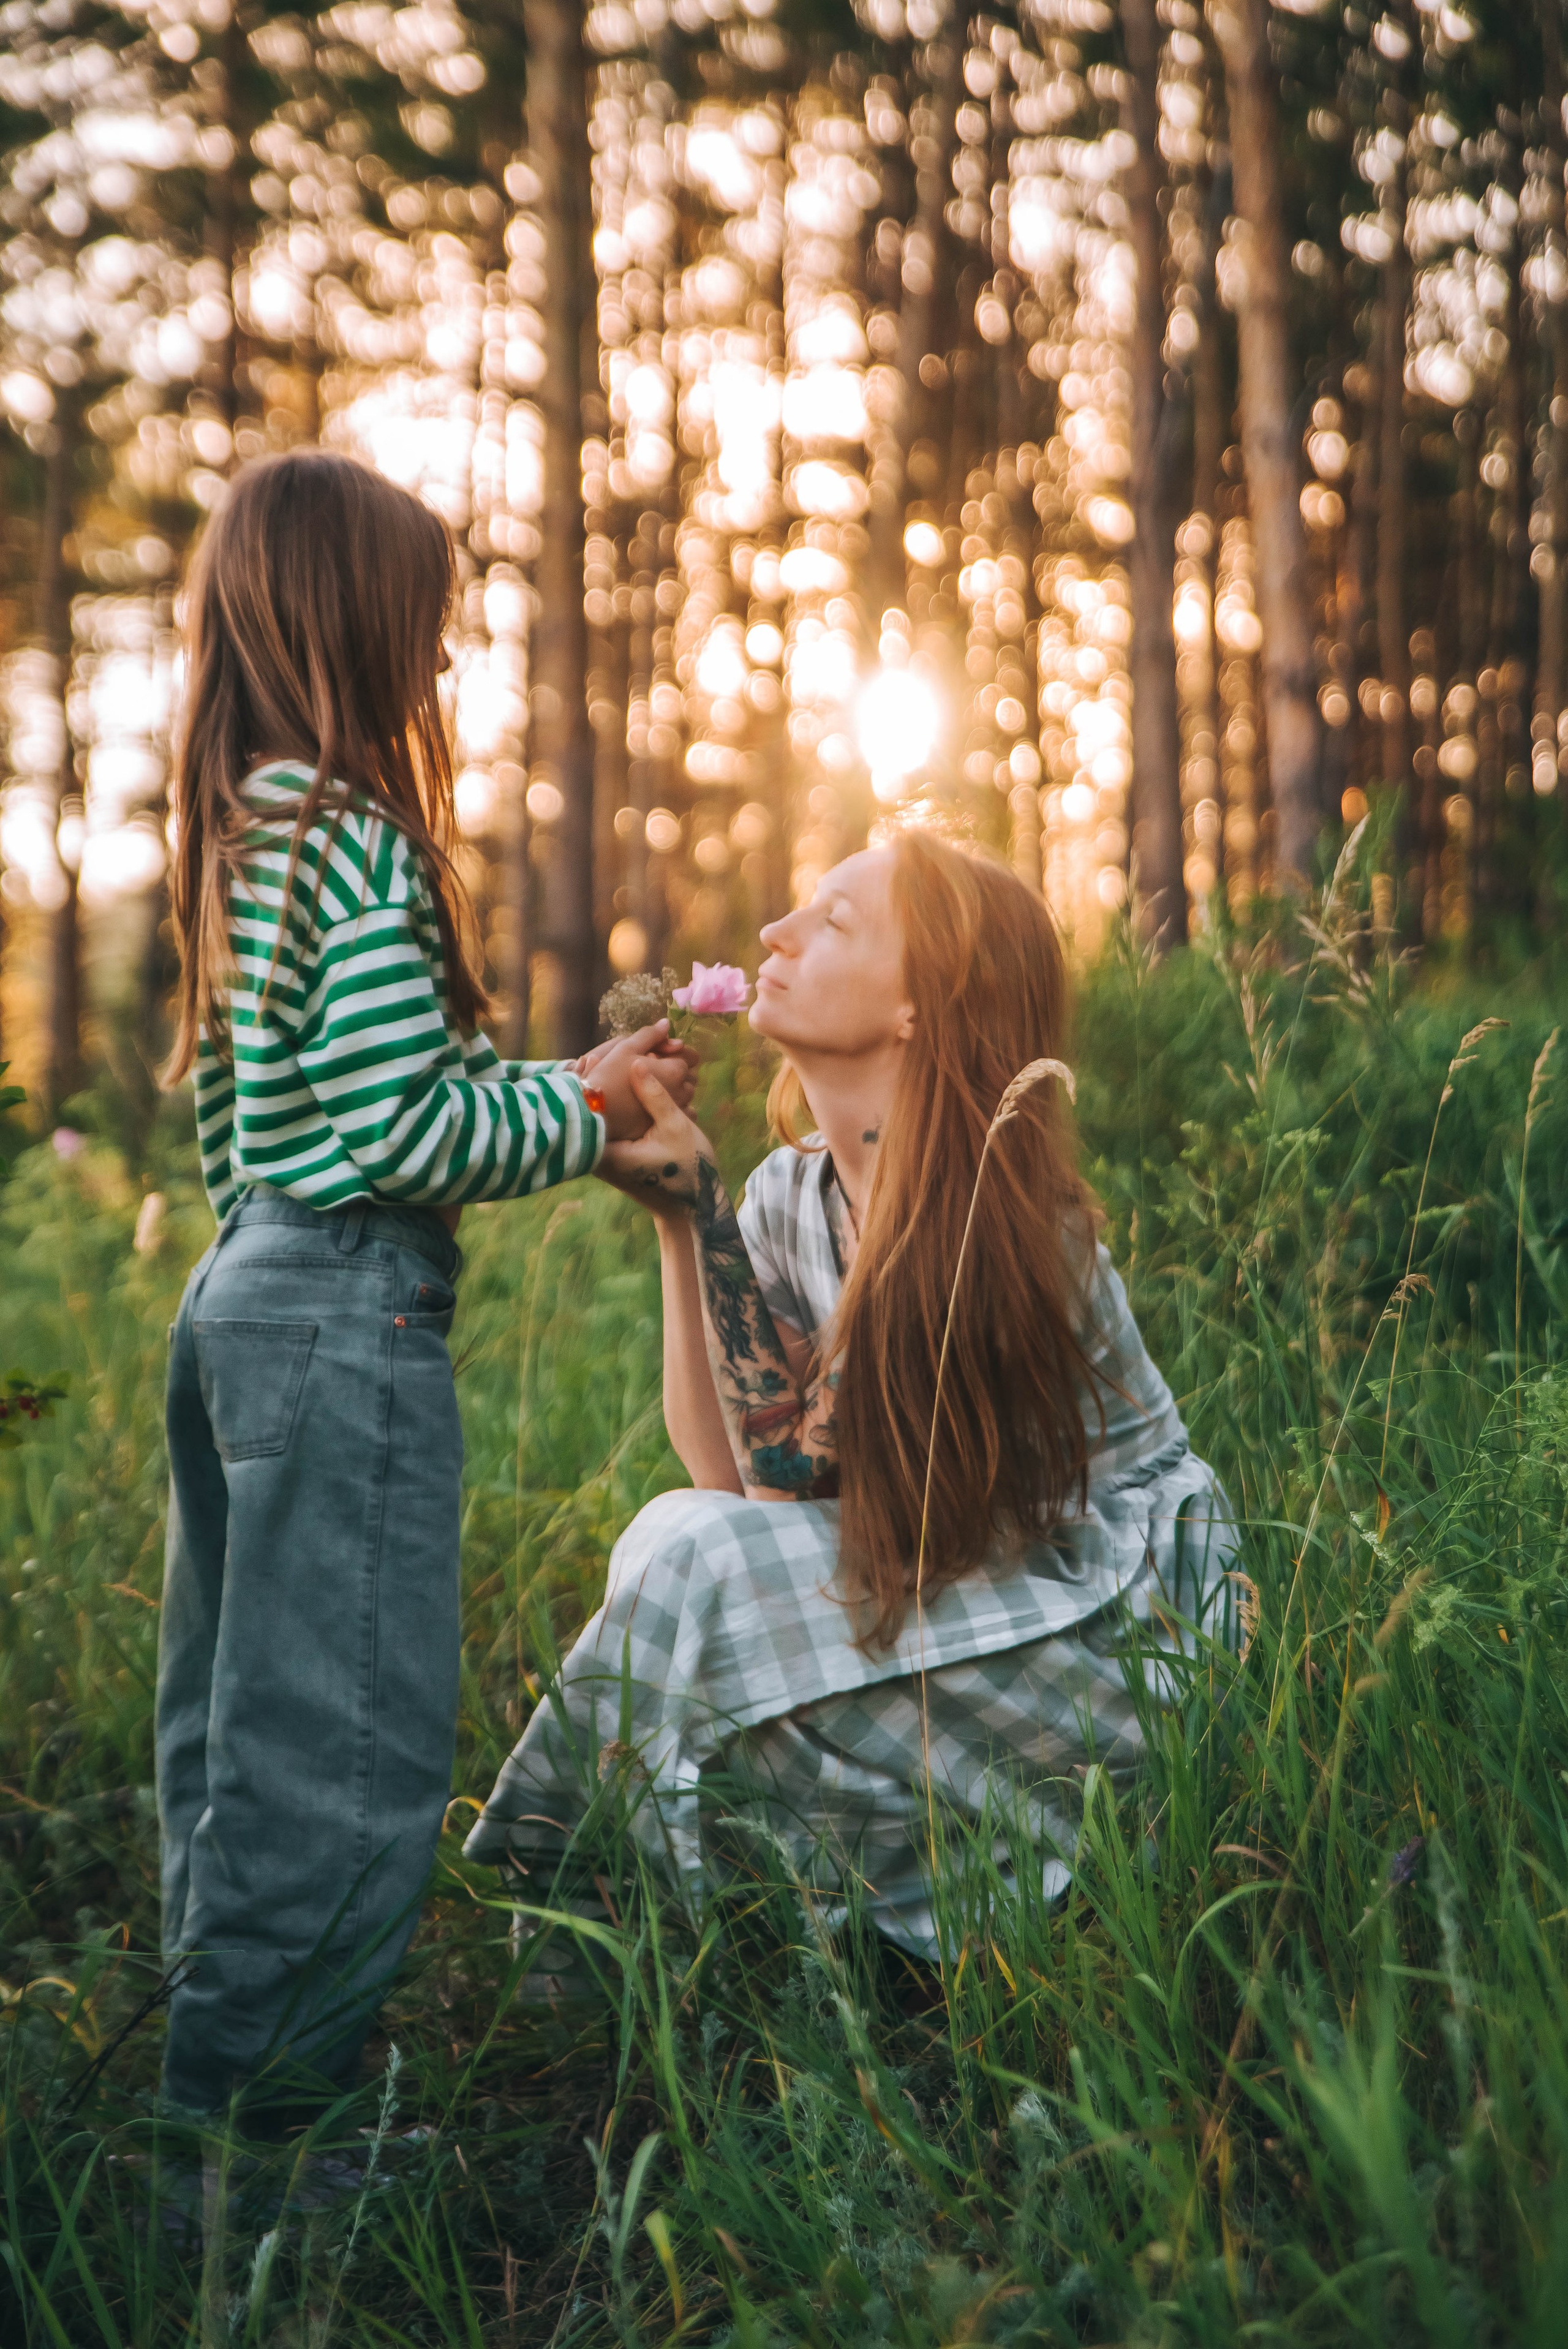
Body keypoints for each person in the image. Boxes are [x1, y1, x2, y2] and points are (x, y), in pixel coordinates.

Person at [157, 448, 694, 2119]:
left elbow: (287, 1114)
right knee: (345, 1743)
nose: (445, 662)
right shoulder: (368, 849)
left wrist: (567, 1125)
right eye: (432, 628)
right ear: (357, 621)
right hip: (338, 1319)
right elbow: (402, 1126)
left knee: (234, 1725)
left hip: (241, 1288)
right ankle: (262, 2146)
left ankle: (215, 2056)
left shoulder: (257, 834)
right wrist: (586, 1099)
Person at [466, 832, 1237, 1961]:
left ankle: (592, 1929)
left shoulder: (989, 1209)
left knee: (691, 1564)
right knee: (680, 1538)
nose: (775, 934)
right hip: (967, 1578)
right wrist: (691, 1224)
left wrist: (704, 1215)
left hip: (1124, 1625)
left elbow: (787, 1492)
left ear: (922, 1004)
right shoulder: (798, 1189)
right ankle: (755, 1931)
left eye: (832, 924)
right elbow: (726, 1469)